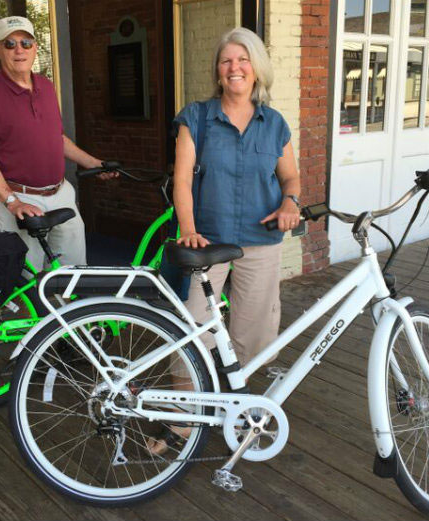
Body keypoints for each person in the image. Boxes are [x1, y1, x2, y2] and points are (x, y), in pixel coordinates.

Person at [147, 27, 301, 454]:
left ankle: (235, 406)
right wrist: (189, 228)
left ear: (257, 69)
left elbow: (289, 176)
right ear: (218, 70)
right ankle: (181, 421)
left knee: (252, 332)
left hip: (261, 239)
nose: (235, 67)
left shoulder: (275, 124)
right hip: (206, 242)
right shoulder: (196, 117)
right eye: (226, 60)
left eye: (243, 59)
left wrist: (290, 201)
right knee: (192, 330)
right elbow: (181, 180)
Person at [0, 16, 115, 270]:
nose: (19, 50)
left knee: (74, 272)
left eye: (25, 42)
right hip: (19, 199)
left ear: (35, 47)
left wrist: (95, 163)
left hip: (61, 194)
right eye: (10, 44)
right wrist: (13, 203)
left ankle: (72, 311)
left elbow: (57, 138)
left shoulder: (46, 86)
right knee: (27, 277)